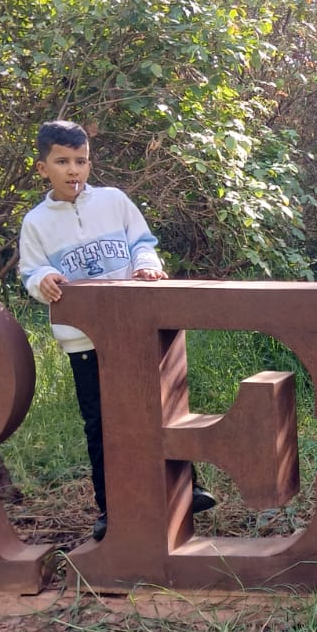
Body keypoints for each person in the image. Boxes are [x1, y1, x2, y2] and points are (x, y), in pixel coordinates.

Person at [19, 120, 216, 540]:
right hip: (85, 342)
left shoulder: (114, 201)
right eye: (63, 162)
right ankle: (111, 508)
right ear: (42, 168)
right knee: (101, 424)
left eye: (81, 161)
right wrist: (44, 280)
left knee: (162, 409)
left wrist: (148, 265)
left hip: (135, 330)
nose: (74, 170)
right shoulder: (36, 223)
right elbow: (31, 271)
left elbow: (143, 241)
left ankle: (188, 488)